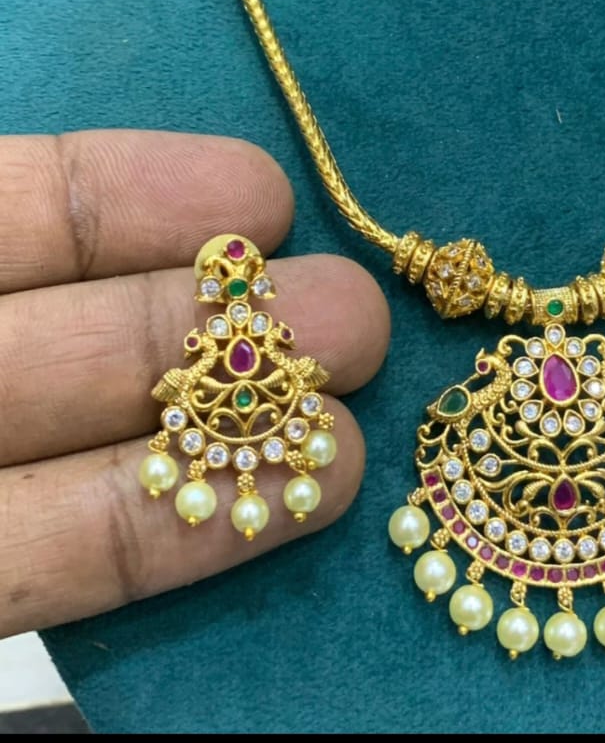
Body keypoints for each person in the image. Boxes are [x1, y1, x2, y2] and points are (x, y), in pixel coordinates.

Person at [0, 128, 389, 637]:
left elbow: (261, 354)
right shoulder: (230, 331)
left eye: (239, 273)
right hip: (230, 393)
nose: (235, 280)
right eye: (230, 274)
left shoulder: (245, 330)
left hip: (240, 392)